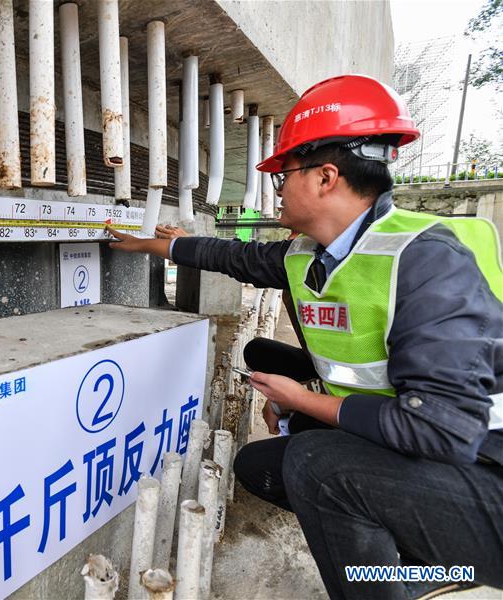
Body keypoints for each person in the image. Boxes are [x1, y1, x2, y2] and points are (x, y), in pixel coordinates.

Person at [106, 74, 503, 600]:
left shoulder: (427, 261)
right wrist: (147, 247)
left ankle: (416, 577)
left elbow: (441, 430)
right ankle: (419, 560)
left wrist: (304, 403)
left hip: (480, 468)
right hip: (411, 436)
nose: (277, 189)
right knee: (260, 464)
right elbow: (229, 256)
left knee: (316, 466)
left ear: (325, 178)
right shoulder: (308, 252)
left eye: (282, 176)